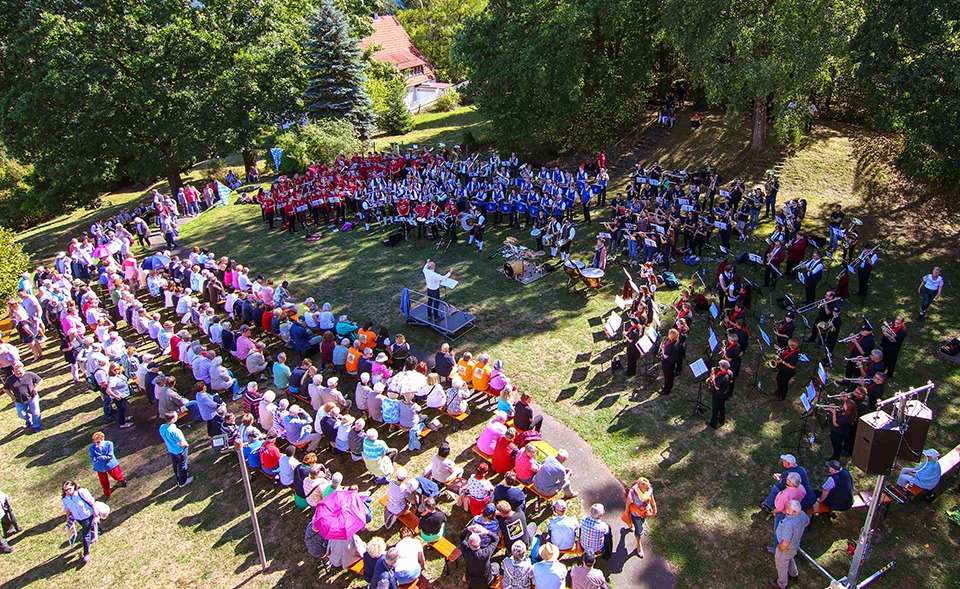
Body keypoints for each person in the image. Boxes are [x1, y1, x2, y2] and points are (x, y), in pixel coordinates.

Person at [771, 500, 808, 589]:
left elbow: (785, 543)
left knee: (781, 565)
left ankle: (781, 584)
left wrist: (779, 548)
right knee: (790, 558)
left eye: (788, 508)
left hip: (786, 548)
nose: (785, 508)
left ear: (794, 512)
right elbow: (807, 522)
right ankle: (793, 574)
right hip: (794, 546)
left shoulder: (789, 524)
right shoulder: (802, 514)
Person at [61, 480, 99, 563]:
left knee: (85, 535)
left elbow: (91, 501)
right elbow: (67, 509)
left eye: (69, 489)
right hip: (78, 518)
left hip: (87, 515)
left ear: (74, 486)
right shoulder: (65, 499)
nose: (68, 491)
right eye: (66, 490)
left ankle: (86, 554)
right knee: (88, 528)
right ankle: (96, 531)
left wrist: (95, 511)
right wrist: (68, 518)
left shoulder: (81, 493)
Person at [769, 472, 806, 551]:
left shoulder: (786, 494)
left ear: (791, 482)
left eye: (787, 479)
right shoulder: (801, 488)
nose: (786, 479)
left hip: (783, 513)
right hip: (794, 511)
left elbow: (779, 508)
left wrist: (774, 512)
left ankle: (776, 548)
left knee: (778, 531)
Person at [3, 362, 42, 432]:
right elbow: (5, 389)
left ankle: (36, 426)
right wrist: (11, 396)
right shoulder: (10, 379)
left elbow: (40, 380)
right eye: (15, 371)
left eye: (19, 370)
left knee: (36, 412)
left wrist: (35, 388)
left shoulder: (30, 375)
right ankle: (28, 418)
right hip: (19, 400)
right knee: (21, 415)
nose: (17, 372)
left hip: (32, 398)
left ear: (23, 369)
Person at [622, 478, 656, 557]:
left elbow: (651, 496)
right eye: (646, 487)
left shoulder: (649, 488)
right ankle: (639, 545)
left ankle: (631, 526)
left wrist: (654, 507)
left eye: (648, 486)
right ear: (639, 486)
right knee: (639, 530)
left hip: (643, 513)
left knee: (641, 523)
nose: (648, 488)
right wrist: (626, 513)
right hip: (636, 514)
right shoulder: (633, 492)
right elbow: (628, 502)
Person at [159, 411, 192, 488]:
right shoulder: (175, 431)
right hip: (179, 450)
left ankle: (178, 478)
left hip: (171, 450)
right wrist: (187, 445)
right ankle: (183, 481)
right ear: (173, 418)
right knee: (182, 465)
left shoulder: (162, 427)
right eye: (176, 415)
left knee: (176, 465)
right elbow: (181, 443)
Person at [89, 431, 126, 498]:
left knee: (116, 476)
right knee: (103, 481)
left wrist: (100, 458)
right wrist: (95, 460)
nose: (97, 443)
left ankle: (122, 480)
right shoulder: (92, 448)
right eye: (95, 442)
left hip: (110, 464)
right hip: (100, 466)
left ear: (102, 439)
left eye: (98, 442)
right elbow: (92, 457)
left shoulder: (109, 444)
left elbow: (110, 456)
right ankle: (107, 493)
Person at [706, 360, 732, 429]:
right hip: (724, 393)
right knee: (722, 406)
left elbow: (717, 387)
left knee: (715, 408)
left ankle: (713, 424)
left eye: (720, 366)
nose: (718, 367)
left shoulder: (722, 377)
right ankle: (721, 420)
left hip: (718, 394)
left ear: (723, 367)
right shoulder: (729, 372)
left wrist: (714, 379)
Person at [659, 328, 681, 395]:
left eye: (669, 334)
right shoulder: (676, 341)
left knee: (667, 376)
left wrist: (662, 350)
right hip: (672, 361)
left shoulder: (671, 345)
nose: (668, 335)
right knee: (670, 376)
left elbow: (665, 356)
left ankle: (666, 390)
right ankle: (668, 387)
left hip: (668, 363)